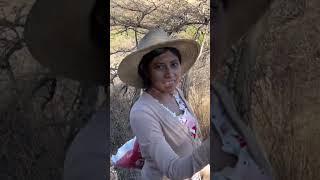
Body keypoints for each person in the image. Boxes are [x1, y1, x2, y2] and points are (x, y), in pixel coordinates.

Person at [117, 28, 210, 180]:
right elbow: (174, 170)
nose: (169, 73)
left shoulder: (176, 94)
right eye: (159, 66)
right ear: (146, 72)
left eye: (174, 64)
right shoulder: (142, 112)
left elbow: (193, 141)